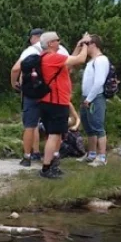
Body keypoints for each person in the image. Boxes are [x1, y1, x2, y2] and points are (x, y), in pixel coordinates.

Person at [11, 29, 71, 166]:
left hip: (31, 94)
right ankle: (54, 157)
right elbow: (70, 66)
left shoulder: (30, 51)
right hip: (50, 95)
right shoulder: (61, 51)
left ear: (34, 38)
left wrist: (14, 84)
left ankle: (28, 156)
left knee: (30, 125)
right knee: (54, 130)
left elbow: (15, 69)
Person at [37, 31, 90, 179]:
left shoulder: (45, 58)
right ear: (50, 44)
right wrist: (86, 44)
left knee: (55, 136)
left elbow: (69, 63)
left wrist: (78, 46)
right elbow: (80, 59)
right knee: (54, 136)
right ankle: (46, 168)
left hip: (47, 101)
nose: (59, 42)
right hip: (57, 102)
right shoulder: (53, 57)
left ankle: (52, 164)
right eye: (57, 40)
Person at [80, 34, 110, 166]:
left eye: (86, 44)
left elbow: (99, 82)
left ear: (93, 45)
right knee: (88, 126)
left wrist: (90, 98)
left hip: (95, 97)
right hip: (86, 96)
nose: (84, 47)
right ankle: (91, 154)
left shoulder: (101, 60)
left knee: (98, 126)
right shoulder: (91, 61)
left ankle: (102, 157)